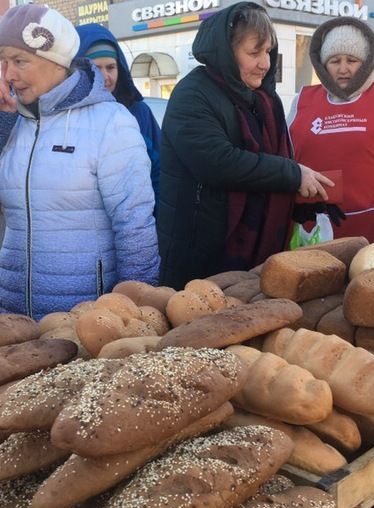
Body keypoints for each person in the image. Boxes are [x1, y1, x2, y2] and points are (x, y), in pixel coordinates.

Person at [157, 2, 332, 290]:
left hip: (259, 250)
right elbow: (218, 162)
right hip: (203, 252)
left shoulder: (264, 97)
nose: (265, 63)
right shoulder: (192, 94)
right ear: (226, 51)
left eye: (268, 51)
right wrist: (291, 174)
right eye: (254, 52)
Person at [0, 5, 159, 319]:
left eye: (20, 61)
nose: (8, 75)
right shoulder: (13, 121)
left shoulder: (111, 122)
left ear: (57, 61)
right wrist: (4, 121)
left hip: (88, 321)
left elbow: (135, 228)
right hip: (14, 317)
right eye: (2, 62)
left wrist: (135, 315)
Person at [288, 17, 374, 243]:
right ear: (323, 64)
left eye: (351, 60)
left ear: (366, 62)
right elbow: (285, 157)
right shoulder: (302, 101)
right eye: (334, 61)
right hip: (312, 228)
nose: (343, 69)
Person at [75, 23, 161, 205]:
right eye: (97, 67)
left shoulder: (139, 112)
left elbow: (160, 169)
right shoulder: (65, 116)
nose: (105, 76)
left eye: (110, 67)